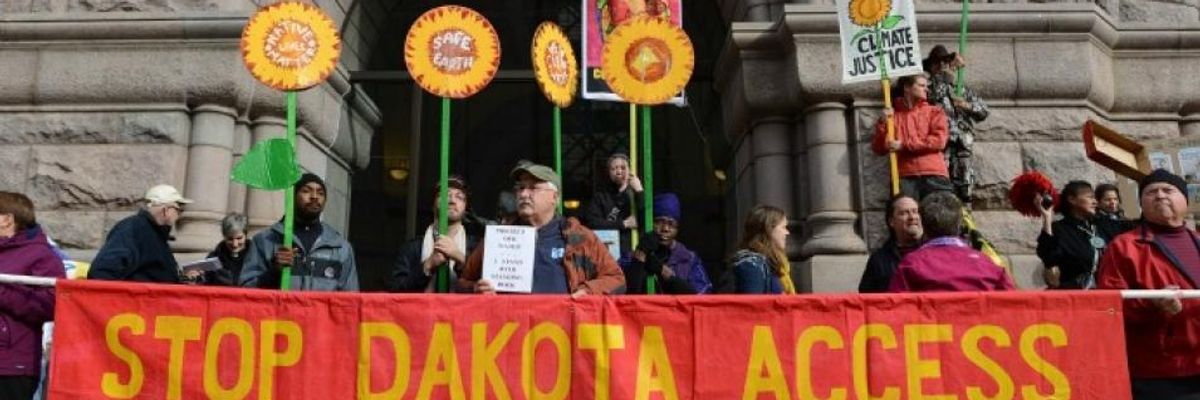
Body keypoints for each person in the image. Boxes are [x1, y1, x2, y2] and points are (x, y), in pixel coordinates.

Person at [1097, 169, 1200, 399]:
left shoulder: (1198, 240)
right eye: (1151, 192)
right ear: (1141, 204)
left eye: (1168, 190)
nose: (1160, 195)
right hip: (1162, 371)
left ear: (1185, 200)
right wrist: (1152, 305)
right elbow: (1109, 305)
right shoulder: (1124, 247)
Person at [461, 162, 625, 296]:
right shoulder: (499, 237)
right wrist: (475, 288)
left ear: (555, 197)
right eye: (520, 188)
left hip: (561, 325)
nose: (524, 194)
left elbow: (616, 279)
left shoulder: (580, 237)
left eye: (533, 188)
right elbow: (462, 282)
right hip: (509, 325)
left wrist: (588, 291)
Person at [239, 173, 359, 291]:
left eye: (320, 193)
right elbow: (246, 290)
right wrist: (273, 273)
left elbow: (350, 297)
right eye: (306, 191)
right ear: (293, 196)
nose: (314, 196)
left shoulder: (340, 247)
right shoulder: (265, 240)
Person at [0, 192, 65, 400]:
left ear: (7, 219)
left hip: (11, 366)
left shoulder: (41, 255)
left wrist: (2, 291)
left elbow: (51, 304)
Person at [888, 192, 1013, 292]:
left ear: (923, 226)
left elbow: (895, 309)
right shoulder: (988, 264)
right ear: (959, 225)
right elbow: (1015, 305)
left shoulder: (911, 264)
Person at [389, 176, 485, 293]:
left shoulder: (477, 247)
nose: (452, 201)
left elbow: (487, 286)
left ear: (466, 208)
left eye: (459, 197)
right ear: (433, 204)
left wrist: (460, 258)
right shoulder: (412, 248)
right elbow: (395, 290)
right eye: (445, 195)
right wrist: (427, 266)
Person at [924, 45, 989, 202]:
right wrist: (944, 76)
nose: (941, 66)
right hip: (941, 147)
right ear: (930, 67)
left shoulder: (960, 89)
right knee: (942, 188)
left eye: (945, 62)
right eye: (937, 63)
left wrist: (967, 106)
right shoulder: (927, 88)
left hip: (962, 146)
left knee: (965, 187)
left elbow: (983, 111)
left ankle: (965, 214)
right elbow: (933, 99)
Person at [89, 184, 191, 283]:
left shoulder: (156, 232)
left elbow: (155, 273)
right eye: (178, 210)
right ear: (165, 210)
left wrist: (184, 278)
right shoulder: (134, 229)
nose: (179, 215)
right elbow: (102, 272)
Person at [871, 73, 951, 200]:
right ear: (907, 87)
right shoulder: (893, 117)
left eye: (926, 86)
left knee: (939, 211)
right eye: (922, 85)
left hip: (934, 174)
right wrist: (882, 123)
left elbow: (939, 141)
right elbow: (879, 149)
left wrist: (904, 145)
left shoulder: (934, 111)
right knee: (905, 211)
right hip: (904, 176)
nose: (926, 89)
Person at [1035, 181, 1125, 289]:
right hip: (1076, 293)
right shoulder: (1060, 229)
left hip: (1107, 292)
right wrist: (1047, 218)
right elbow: (1049, 258)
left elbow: (1133, 228)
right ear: (1072, 199)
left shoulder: (1102, 224)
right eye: (1090, 197)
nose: (1095, 202)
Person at [623, 193, 711, 294]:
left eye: (671, 224)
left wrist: (663, 272)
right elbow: (623, 296)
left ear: (677, 229)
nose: (665, 228)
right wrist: (639, 258)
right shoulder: (629, 258)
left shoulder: (689, 259)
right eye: (659, 222)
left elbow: (702, 297)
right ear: (650, 223)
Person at [859, 194, 923, 293]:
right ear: (891, 221)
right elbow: (866, 296)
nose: (912, 217)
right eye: (904, 213)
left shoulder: (932, 252)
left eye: (915, 212)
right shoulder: (879, 260)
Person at [585, 153, 643, 255]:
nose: (619, 171)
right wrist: (623, 224)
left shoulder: (636, 193)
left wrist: (639, 191)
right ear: (609, 173)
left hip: (634, 250)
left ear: (630, 170)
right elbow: (592, 222)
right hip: (609, 251)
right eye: (614, 169)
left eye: (623, 168)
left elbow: (647, 216)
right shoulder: (600, 196)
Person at [731, 205, 796, 294]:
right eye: (784, 227)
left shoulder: (775, 263)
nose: (787, 232)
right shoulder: (751, 264)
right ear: (769, 229)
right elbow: (752, 301)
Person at [201, 213, 249, 286]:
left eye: (239, 238)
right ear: (224, 237)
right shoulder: (214, 258)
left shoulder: (256, 257)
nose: (235, 244)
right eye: (230, 239)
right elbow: (205, 283)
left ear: (246, 235)